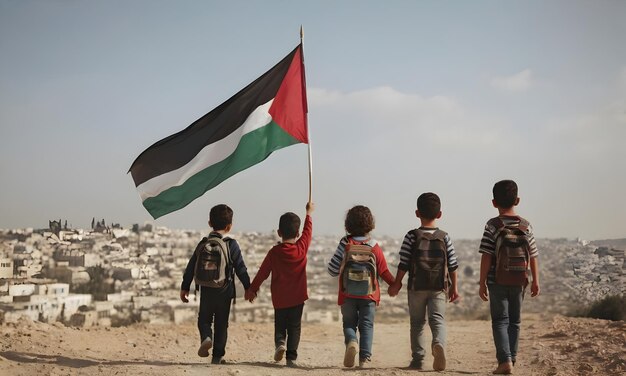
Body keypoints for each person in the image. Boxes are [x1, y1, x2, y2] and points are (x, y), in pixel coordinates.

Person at [388, 192, 460, 371]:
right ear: (440, 214)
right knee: (438, 320)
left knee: (417, 323)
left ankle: (418, 360)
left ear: (417, 213)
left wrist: (396, 284)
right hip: (438, 287)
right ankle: (438, 344)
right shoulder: (444, 237)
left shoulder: (412, 236)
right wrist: (454, 287)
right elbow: (452, 265)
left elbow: (403, 263)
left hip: (416, 287)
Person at [478, 180, 540, 375]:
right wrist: (535, 281)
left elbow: (487, 255)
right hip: (520, 280)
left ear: (494, 202)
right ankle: (511, 358)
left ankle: (504, 361)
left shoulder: (492, 225)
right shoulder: (526, 226)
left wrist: (482, 283)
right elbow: (533, 255)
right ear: (518, 200)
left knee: (500, 320)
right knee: (515, 321)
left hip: (497, 280)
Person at [179, 204, 252, 365]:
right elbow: (240, 268)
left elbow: (190, 267)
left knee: (204, 319)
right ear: (229, 226)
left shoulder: (203, 243)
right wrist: (249, 288)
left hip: (205, 289)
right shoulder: (231, 245)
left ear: (209, 223)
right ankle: (217, 356)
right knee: (221, 323)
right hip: (224, 290)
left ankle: (206, 336)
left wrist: (185, 287)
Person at [245, 202, 315, 367]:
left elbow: (262, 273)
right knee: (295, 327)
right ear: (297, 234)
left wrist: (252, 290)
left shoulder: (274, 253)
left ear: (279, 232)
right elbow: (308, 232)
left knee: (280, 324)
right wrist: (309, 214)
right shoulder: (301, 249)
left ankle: (280, 343)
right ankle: (291, 358)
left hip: (280, 298)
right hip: (297, 298)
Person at [327, 205, 395, 368]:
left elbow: (332, 270)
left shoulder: (345, 243)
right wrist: (395, 284)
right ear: (370, 223)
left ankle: (351, 342)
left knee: (349, 323)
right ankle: (364, 357)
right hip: (369, 295)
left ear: (348, 224)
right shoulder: (374, 245)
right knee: (366, 325)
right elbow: (384, 270)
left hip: (347, 293)